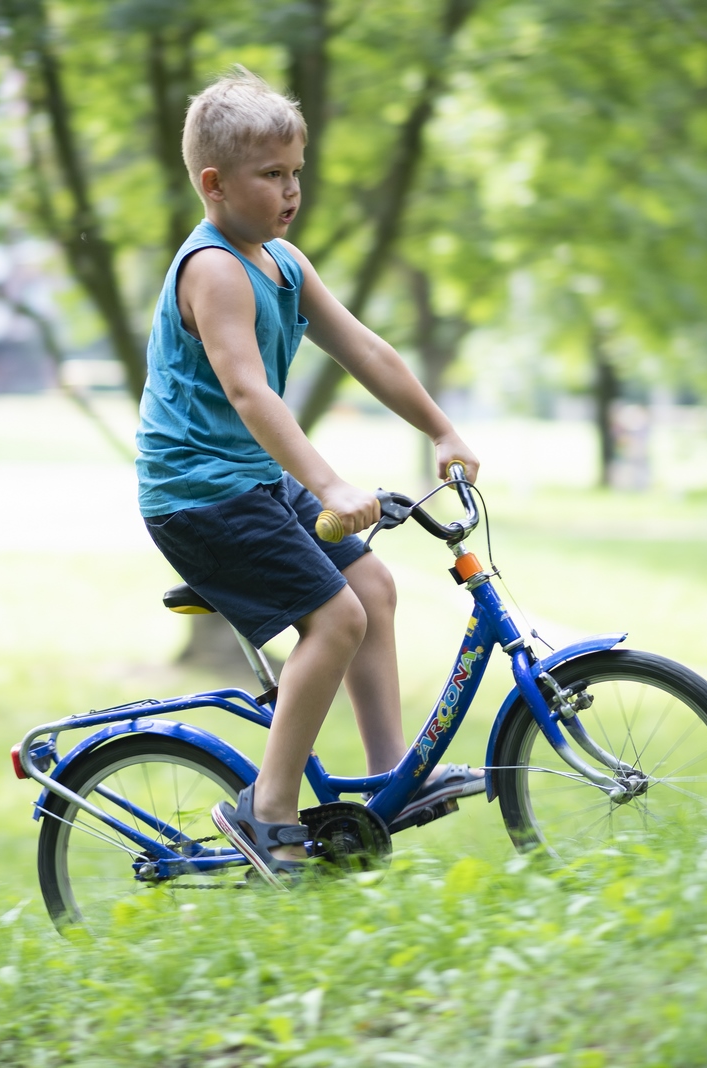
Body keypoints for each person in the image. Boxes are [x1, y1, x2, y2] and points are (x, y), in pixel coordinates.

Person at [137, 67, 483, 887]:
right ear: (215, 185)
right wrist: (329, 484)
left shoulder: (283, 262)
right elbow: (249, 391)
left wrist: (439, 426)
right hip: (200, 494)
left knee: (376, 590)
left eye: (297, 172)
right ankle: (268, 807)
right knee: (335, 619)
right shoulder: (214, 269)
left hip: (250, 481)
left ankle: (393, 775)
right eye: (272, 175)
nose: (292, 191)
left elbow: (365, 349)